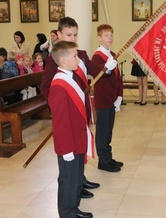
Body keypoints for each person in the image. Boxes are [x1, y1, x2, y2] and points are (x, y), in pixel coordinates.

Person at [41, 17, 115, 198]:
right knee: (70, 149)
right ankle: (75, 185)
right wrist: (61, 106)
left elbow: (93, 68)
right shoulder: (54, 59)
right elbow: (46, 88)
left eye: (75, 35)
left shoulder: (79, 53)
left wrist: (107, 68)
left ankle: (80, 179)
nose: (72, 38)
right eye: (68, 34)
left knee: (81, 145)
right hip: (68, 110)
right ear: (58, 34)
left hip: (83, 109)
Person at [49, 41, 93, 218]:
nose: (78, 58)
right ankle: (67, 213)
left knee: (76, 180)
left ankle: (74, 208)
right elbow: (60, 121)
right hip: (69, 145)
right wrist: (66, 148)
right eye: (74, 55)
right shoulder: (59, 85)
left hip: (77, 140)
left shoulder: (70, 77)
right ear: (63, 59)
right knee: (68, 180)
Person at [92, 24, 124, 173]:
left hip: (112, 99)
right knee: (103, 131)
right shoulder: (97, 56)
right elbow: (101, 82)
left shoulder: (112, 54)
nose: (109, 37)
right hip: (104, 100)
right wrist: (113, 98)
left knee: (109, 130)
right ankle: (103, 161)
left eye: (111, 34)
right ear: (99, 38)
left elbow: (117, 77)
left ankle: (108, 157)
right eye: (106, 35)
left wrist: (119, 96)